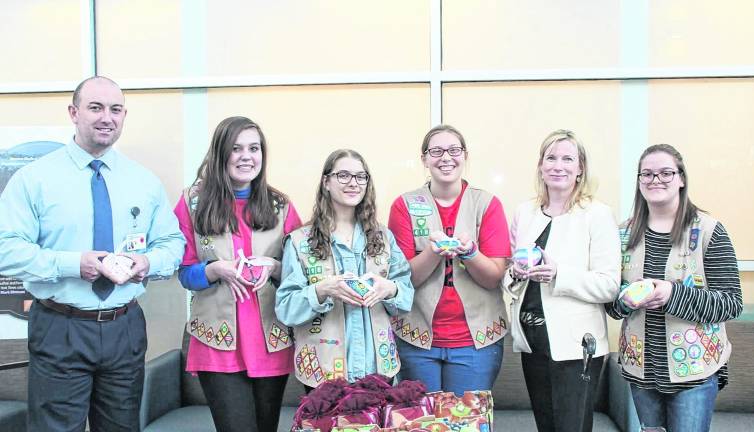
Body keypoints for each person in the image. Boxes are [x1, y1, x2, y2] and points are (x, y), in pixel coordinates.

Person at [0, 76, 185, 432]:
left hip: (124, 327)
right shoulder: (35, 178)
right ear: (74, 112)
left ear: (124, 116)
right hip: (60, 326)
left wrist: (148, 262)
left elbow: (172, 243)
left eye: (115, 110)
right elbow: (7, 249)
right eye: (96, 107)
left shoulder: (142, 181)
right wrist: (72, 264)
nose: (107, 118)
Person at [174, 116, 301, 432]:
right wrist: (214, 270)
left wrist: (273, 266)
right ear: (221, 154)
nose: (247, 156)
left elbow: (303, 275)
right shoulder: (192, 203)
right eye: (236, 148)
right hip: (217, 342)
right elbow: (184, 273)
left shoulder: (281, 206)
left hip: (272, 341)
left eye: (254, 148)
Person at [606, 144, 742, 432]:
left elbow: (731, 302)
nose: (656, 180)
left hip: (694, 373)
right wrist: (625, 301)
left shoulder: (709, 231)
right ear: (639, 181)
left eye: (666, 173)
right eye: (648, 174)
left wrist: (672, 293)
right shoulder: (621, 233)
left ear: (681, 178)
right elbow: (610, 303)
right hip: (642, 371)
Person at [503, 129, 620, 432]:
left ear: (580, 168)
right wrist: (514, 274)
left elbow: (609, 284)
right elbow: (510, 272)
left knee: (571, 427)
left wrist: (559, 275)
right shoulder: (524, 211)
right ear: (540, 166)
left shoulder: (597, 214)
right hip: (533, 340)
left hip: (576, 344)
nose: (558, 165)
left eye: (568, 159)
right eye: (551, 158)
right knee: (546, 425)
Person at [388, 124, 510, 395]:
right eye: (436, 151)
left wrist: (471, 253)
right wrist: (433, 252)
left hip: (476, 341)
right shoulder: (404, 205)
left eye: (454, 150)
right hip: (416, 338)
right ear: (424, 159)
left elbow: (493, 278)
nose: (446, 157)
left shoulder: (487, 204)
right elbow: (403, 279)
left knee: (467, 422)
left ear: (465, 155)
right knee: (421, 422)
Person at [276, 149, 414, 389]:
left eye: (361, 177)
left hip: (379, 368)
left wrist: (389, 289)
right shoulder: (300, 241)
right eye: (343, 175)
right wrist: (321, 290)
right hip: (323, 373)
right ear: (326, 182)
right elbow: (286, 308)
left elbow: (406, 294)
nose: (353, 183)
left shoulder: (384, 237)